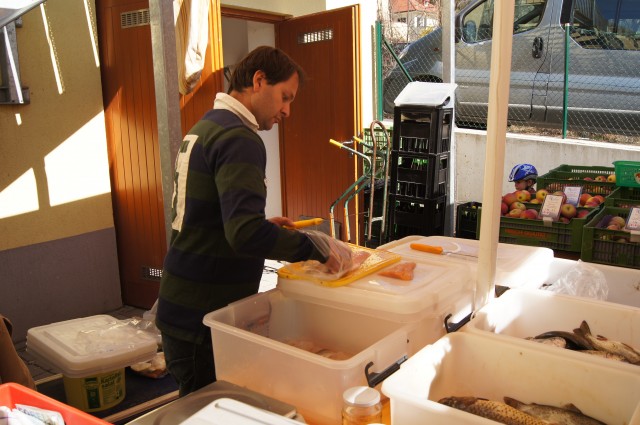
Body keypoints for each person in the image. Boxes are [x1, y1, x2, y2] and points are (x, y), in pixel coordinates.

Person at [156, 46, 353, 397]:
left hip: (182, 308)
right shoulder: (240, 138)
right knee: (212, 411)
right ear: (259, 80)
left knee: (199, 406)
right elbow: (245, 235)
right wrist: (315, 247)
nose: (287, 111)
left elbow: (217, 219)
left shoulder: (208, 126)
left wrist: (265, 227)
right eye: (285, 97)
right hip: (203, 316)